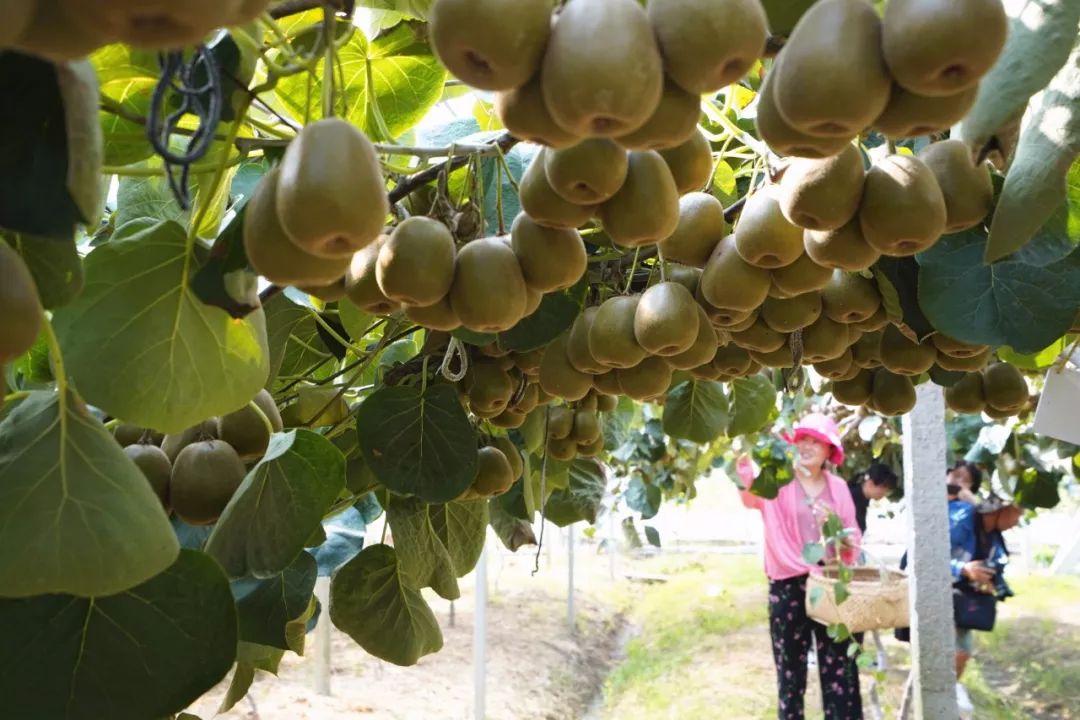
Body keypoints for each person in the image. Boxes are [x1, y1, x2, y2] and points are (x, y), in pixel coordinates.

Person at [738, 413, 864, 720]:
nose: (807, 446)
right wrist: (745, 452)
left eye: (815, 441)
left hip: (830, 584)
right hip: (788, 587)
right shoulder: (777, 480)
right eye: (802, 439)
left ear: (828, 451)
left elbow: (853, 538)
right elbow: (748, 490)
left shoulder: (838, 488)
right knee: (790, 674)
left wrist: (832, 529)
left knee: (839, 673)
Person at [847, 461, 899, 534]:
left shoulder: (862, 500)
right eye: (883, 487)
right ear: (870, 483)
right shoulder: (850, 497)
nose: (884, 492)